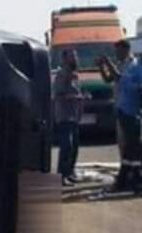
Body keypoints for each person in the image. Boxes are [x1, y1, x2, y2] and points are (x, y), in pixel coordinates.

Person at [98, 42, 142, 192]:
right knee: (135, 146)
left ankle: (125, 179)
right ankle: (135, 179)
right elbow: (123, 82)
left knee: (131, 147)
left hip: (135, 111)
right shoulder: (135, 67)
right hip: (127, 110)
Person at [53, 49, 84, 187]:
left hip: (74, 116)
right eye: (72, 57)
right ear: (65, 59)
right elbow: (58, 95)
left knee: (75, 147)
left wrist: (81, 100)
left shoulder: (75, 75)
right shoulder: (61, 75)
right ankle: (61, 175)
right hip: (64, 115)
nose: (76, 59)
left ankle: (70, 172)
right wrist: (76, 97)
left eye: (76, 56)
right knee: (67, 146)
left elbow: (77, 92)